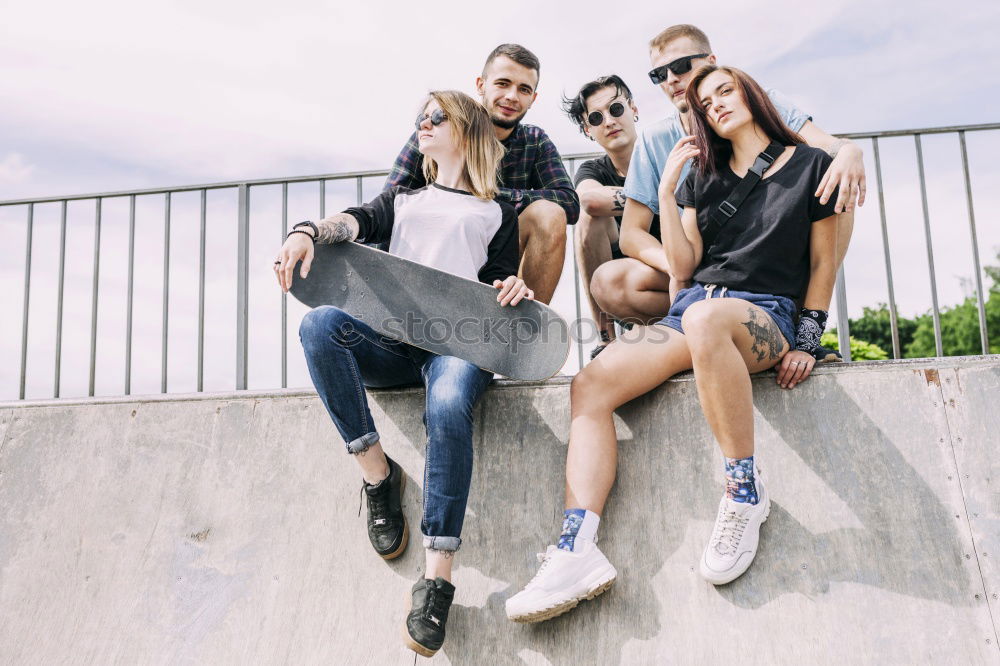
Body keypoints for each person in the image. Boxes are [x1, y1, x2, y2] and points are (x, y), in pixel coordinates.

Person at [506, 64, 841, 623]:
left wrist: (808, 338)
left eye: (725, 92)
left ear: (754, 95)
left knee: (709, 317)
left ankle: (743, 492)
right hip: (694, 311)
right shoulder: (699, 175)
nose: (716, 106)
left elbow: (825, 262)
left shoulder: (812, 166)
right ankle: (576, 548)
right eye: (706, 104)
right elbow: (683, 267)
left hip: (766, 314)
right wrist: (666, 188)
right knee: (591, 385)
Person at [274, 90, 532, 657]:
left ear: (463, 132)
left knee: (446, 406)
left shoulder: (498, 211)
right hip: (391, 344)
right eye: (420, 117)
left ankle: (436, 578)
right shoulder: (404, 199)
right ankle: (377, 476)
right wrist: (306, 231)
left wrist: (512, 286)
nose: (424, 124)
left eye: (436, 117)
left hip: (457, 350)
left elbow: (498, 281)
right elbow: (354, 221)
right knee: (320, 326)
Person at [600, 24, 865, 362]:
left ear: (711, 61)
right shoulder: (654, 140)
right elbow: (632, 235)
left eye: (681, 66)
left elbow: (827, 147)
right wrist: (682, 270)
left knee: (836, 182)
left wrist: (850, 152)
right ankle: (703, 338)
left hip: (767, 268)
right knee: (610, 280)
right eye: (658, 74)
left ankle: (802, 324)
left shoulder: (750, 99)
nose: (671, 79)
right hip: (700, 265)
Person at [385, 43, 579, 305]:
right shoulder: (438, 130)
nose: (512, 96)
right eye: (503, 83)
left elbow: (568, 203)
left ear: (533, 99)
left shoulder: (535, 140)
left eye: (524, 89)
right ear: (480, 85)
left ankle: (526, 336)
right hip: (433, 261)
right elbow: (390, 206)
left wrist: (483, 198)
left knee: (549, 213)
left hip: (499, 259)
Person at [561, 75, 664, 359]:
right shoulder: (593, 170)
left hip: (676, 282)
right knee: (588, 219)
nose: (609, 121)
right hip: (625, 288)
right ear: (588, 129)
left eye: (616, 109)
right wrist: (663, 197)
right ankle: (606, 338)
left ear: (633, 109)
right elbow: (590, 200)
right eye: (596, 117)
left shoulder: (663, 154)